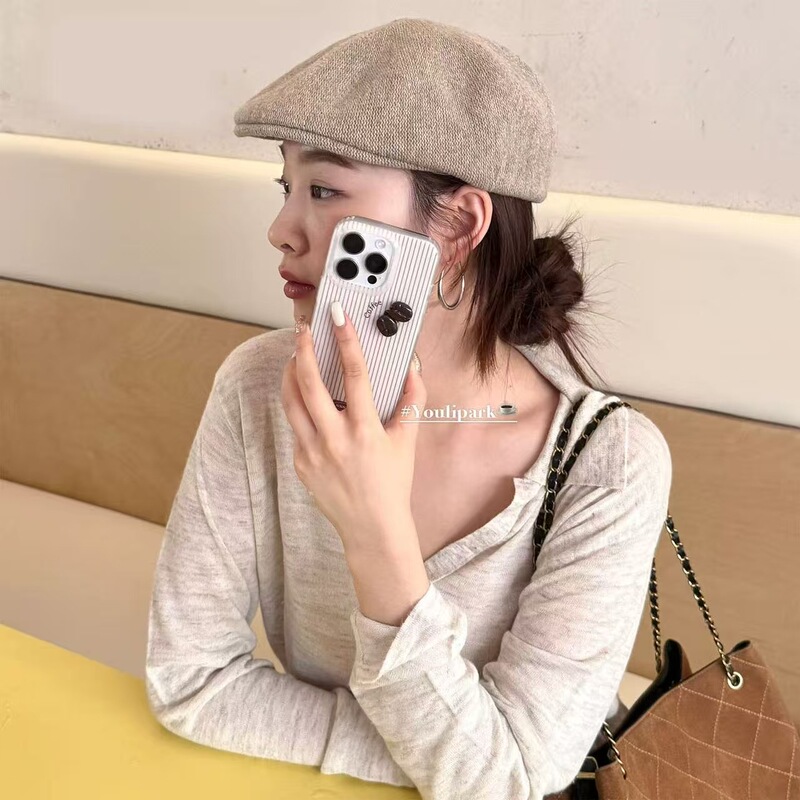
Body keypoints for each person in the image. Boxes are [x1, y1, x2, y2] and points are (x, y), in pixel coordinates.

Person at [145, 18, 672, 800]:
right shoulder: (259, 388)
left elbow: (518, 780)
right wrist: (443, 756)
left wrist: (375, 538)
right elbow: (188, 679)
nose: (282, 230)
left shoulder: (609, 461)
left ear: (459, 226)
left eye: (325, 190)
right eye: (286, 188)